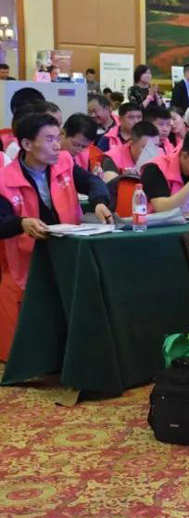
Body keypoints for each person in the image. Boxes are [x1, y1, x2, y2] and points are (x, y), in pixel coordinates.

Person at [0, 112, 112, 359]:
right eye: (49, 139)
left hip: (67, 251)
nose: (56, 145)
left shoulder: (64, 162)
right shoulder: (4, 180)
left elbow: (92, 182)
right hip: (28, 261)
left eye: (57, 137)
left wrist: (99, 201)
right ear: (27, 144)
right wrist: (21, 223)